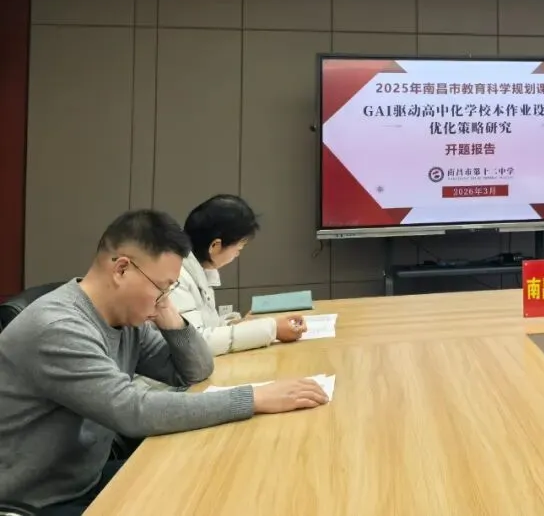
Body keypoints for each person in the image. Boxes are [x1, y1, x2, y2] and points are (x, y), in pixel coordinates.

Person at [0, 209, 329, 515]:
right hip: (36, 502)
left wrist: (169, 314)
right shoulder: (58, 328)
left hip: (84, 480)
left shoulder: (125, 319)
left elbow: (195, 370)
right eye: (161, 287)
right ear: (122, 269)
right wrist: (254, 398)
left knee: (214, 482)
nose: (163, 299)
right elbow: (133, 410)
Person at [175, 194, 306, 354]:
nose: (238, 254)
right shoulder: (175, 277)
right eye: (239, 247)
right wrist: (272, 329)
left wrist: (245, 325)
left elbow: (208, 327)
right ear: (215, 246)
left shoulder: (196, 270)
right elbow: (199, 342)